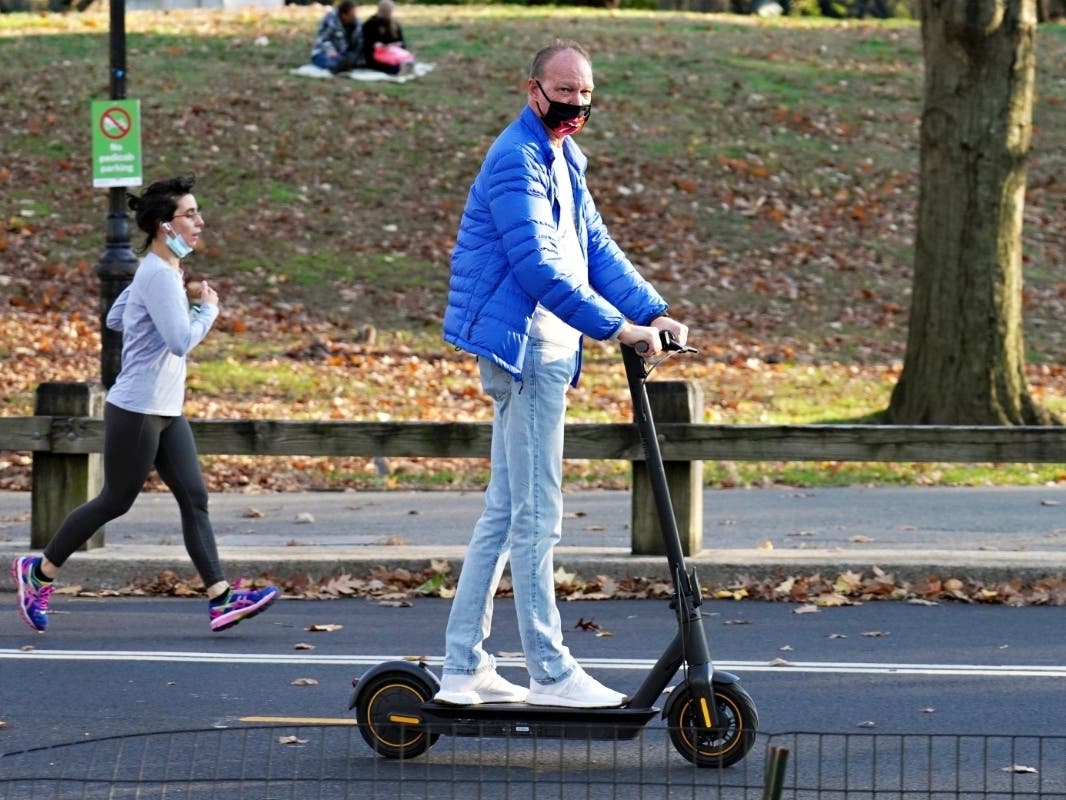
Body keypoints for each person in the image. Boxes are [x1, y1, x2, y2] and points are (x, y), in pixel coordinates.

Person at [436, 41, 689, 709]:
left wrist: (652, 310)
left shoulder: (562, 156)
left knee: (503, 512)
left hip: (545, 349)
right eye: (564, 94)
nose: (575, 107)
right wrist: (618, 328)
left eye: (585, 98)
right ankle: (549, 669)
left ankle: (463, 667)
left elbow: (593, 246)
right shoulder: (516, 161)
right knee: (537, 516)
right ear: (533, 90)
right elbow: (540, 269)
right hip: (525, 353)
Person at [11, 176, 279, 635]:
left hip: (166, 408)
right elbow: (179, 341)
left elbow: (117, 316)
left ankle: (220, 599)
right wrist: (207, 309)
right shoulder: (158, 274)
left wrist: (159, 305)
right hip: (137, 408)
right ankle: (38, 573)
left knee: (195, 499)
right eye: (189, 214)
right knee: (115, 500)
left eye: (197, 213)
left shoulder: (161, 272)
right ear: (163, 225)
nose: (199, 222)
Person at [310, 0, 363, 74]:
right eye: (352, 14)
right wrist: (330, 50)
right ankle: (337, 66)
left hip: (344, 54)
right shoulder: (330, 20)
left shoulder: (357, 23)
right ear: (344, 15)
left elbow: (359, 42)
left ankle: (344, 65)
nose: (355, 16)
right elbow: (322, 39)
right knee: (328, 59)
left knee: (357, 60)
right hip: (325, 51)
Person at [360, 0, 412, 75]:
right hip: (375, 56)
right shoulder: (369, 24)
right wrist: (374, 45)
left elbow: (402, 43)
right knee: (392, 68)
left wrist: (395, 45)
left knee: (405, 60)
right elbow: (364, 44)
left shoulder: (394, 25)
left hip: (392, 54)